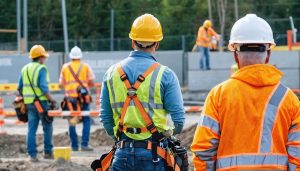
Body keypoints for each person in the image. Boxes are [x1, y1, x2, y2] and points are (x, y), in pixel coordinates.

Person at [191, 14, 300, 170]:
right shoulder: (289, 99)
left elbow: (203, 152)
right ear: (268, 54)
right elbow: (297, 155)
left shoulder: (218, 95)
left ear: (236, 55)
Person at [100, 13, 185, 170]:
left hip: (122, 153)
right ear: (157, 44)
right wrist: (169, 134)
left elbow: (105, 118)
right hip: (154, 155)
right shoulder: (165, 74)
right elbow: (179, 119)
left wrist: (120, 137)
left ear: (133, 42)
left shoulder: (111, 73)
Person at [17, 45, 56, 162]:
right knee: (47, 126)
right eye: (44, 57)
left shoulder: (25, 69)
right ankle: (48, 153)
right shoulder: (41, 69)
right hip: (41, 103)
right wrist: (52, 100)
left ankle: (32, 155)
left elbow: (19, 88)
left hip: (29, 103)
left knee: (31, 129)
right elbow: (44, 88)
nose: (44, 59)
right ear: (40, 57)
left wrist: (26, 98)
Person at [59, 46, 95, 151]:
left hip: (70, 100)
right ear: (80, 56)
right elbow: (92, 82)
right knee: (87, 120)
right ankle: (84, 144)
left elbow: (61, 84)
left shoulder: (65, 67)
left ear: (71, 56)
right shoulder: (85, 67)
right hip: (83, 99)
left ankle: (74, 146)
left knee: (72, 121)